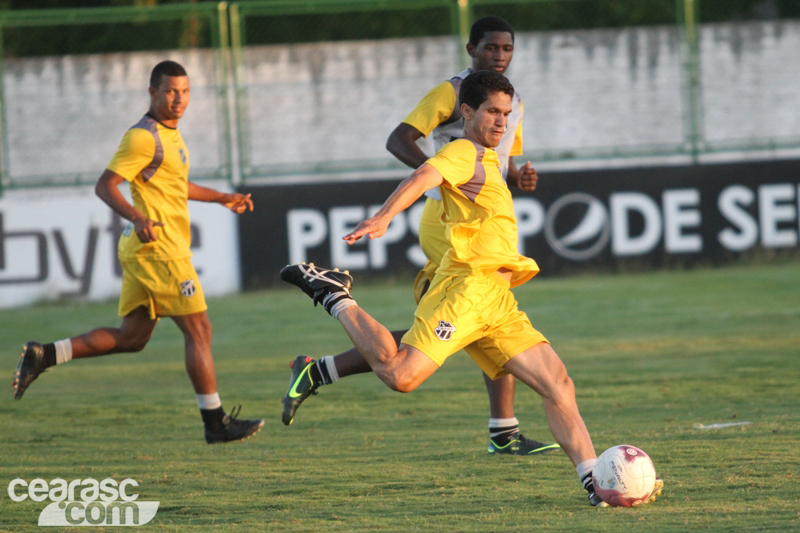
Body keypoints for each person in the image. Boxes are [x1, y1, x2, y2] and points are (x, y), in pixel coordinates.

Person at [282, 71, 661, 506]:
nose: (502, 122)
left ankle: (595, 483)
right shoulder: (464, 151)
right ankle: (334, 294)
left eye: (506, 113)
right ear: (467, 112)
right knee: (400, 375)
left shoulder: (491, 158)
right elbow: (424, 175)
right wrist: (385, 216)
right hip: (465, 291)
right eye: (492, 112)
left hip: (497, 301)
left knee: (559, 385)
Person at [281, 16, 553, 457]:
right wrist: (440, 177)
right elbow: (400, 139)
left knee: (463, 321)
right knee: (474, 314)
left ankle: (319, 370)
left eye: (507, 49)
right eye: (490, 48)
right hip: (450, 221)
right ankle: (503, 432)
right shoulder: (453, 92)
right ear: (471, 49)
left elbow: (500, 163)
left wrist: (518, 176)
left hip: (482, 215)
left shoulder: (511, 101)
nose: (499, 56)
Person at [12, 60, 264, 445]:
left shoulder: (170, 135)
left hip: (145, 249)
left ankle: (44, 355)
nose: (179, 99)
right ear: (152, 92)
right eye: (170, 91)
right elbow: (106, 185)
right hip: (159, 249)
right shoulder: (142, 137)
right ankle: (215, 422)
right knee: (200, 330)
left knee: (132, 338)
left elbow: (177, 184)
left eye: (185, 91)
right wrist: (138, 216)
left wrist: (222, 198)